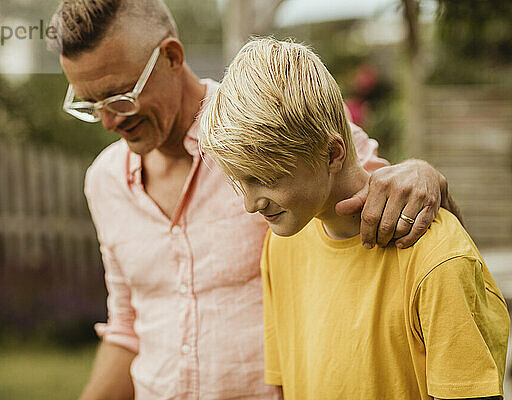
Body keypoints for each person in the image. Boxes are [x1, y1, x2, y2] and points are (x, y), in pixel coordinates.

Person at [48, 1, 462, 399]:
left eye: (119, 97)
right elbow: (128, 327)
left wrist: (424, 175)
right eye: (90, 104)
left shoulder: (272, 121)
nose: (107, 121)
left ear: (172, 56)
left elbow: (383, 197)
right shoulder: (103, 182)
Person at [199, 37, 509, 400]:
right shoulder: (280, 246)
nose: (251, 205)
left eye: (267, 178)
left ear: (332, 153)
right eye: (241, 181)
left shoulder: (437, 260)